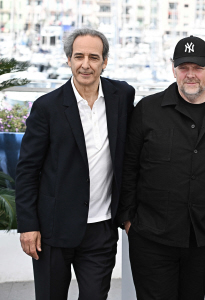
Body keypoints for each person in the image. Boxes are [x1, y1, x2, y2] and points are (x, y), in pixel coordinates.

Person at [117, 35, 205, 300]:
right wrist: (128, 219)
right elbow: (128, 165)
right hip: (151, 236)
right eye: (183, 67)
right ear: (173, 69)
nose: (191, 75)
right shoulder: (147, 109)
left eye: (198, 67)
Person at [15, 28, 135, 300]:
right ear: (68, 59)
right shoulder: (47, 107)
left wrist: (128, 211)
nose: (86, 64)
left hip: (101, 230)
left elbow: (130, 155)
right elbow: (27, 171)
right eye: (78, 56)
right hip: (52, 230)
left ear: (105, 61)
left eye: (94, 57)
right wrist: (28, 225)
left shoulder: (122, 96)